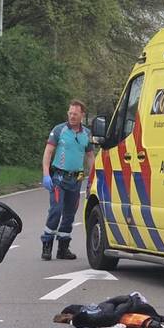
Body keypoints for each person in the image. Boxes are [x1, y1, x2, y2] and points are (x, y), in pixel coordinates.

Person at [40, 100, 94, 261]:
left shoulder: (86, 134)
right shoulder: (59, 130)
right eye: (70, 113)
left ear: (82, 115)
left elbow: (90, 157)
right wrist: (46, 175)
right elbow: (48, 152)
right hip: (59, 178)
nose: (72, 116)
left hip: (75, 180)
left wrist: (92, 179)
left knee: (70, 214)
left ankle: (63, 247)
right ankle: (47, 245)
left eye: (75, 114)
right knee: (56, 210)